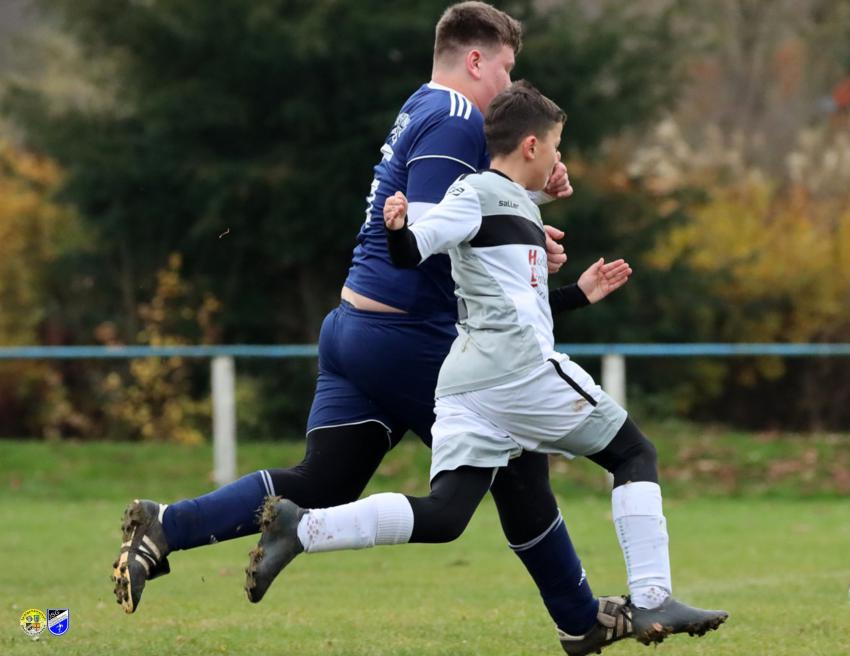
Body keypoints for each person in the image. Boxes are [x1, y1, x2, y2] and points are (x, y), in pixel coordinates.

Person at [112, 3, 633, 654]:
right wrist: (521, 232)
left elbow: (460, 212)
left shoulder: (424, 106)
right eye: (506, 69)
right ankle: (581, 621)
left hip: (356, 330)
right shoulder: (455, 116)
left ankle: (167, 526)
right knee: (520, 472)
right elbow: (427, 235)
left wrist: (528, 205)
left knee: (322, 483)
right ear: (475, 61)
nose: (509, 86)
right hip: (408, 335)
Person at [244, 81, 729, 648]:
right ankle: (651, 598)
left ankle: (304, 527)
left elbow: (515, 302)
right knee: (634, 453)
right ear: (531, 145)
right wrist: (398, 231)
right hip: (517, 371)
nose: (559, 159)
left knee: (446, 516)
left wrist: (579, 293)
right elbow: (414, 248)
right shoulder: (473, 194)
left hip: (469, 385)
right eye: (555, 146)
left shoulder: (517, 205)